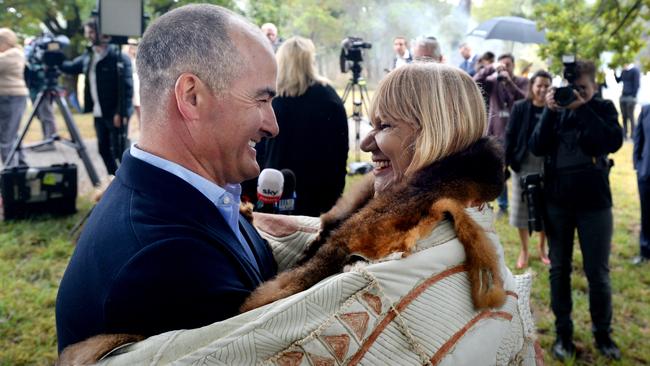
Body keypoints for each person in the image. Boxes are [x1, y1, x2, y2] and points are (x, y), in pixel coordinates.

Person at [72, 62, 539, 366]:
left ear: (434, 132)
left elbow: (253, 346)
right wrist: (276, 225)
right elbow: (350, 244)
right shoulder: (458, 218)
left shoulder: (390, 283)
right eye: (260, 100)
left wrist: (106, 357)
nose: (367, 143)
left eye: (385, 127)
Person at [55, 4, 279, 353]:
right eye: (261, 99)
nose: (272, 125)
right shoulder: (167, 260)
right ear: (191, 97)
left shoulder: (172, 198)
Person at [529, 60, 622, 361]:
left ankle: (603, 335)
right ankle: (562, 335)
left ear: (594, 87)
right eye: (573, 89)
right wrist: (547, 111)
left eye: (584, 88)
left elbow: (609, 141)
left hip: (595, 203)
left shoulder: (603, 108)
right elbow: (537, 147)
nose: (577, 93)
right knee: (559, 270)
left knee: (598, 273)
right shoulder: (555, 113)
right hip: (558, 202)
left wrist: (582, 107)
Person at [260, 36, 348, 216]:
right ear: (310, 61)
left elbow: (259, 146)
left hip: (272, 191)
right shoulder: (328, 97)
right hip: (320, 193)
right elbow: (341, 149)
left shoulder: (270, 100)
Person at [60, 18, 133, 176]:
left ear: (102, 32)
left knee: (120, 151)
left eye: (92, 32)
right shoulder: (89, 57)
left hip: (114, 113)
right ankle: (113, 180)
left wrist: (122, 112)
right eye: (88, 32)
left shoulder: (119, 57)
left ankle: (128, 182)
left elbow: (127, 89)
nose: (89, 36)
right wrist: (54, 57)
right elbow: (71, 67)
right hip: (98, 113)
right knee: (103, 150)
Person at [505, 70, 552, 269]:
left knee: (546, 209)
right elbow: (510, 134)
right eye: (539, 85)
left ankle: (543, 248)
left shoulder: (554, 109)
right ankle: (524, 249)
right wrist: (505, 162)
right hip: (522, 163)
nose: (542, 89)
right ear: (532, 86)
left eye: (546, 86)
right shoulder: (520, 107)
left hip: (547, 165)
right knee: (520, 210)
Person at [474, 53, 529, 216]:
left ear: (513, 66)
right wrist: (491, 68)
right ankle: (502, 206)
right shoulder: (492, 81)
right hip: (496, 134)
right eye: (502, 65)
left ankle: (523, 202)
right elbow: (474, 82)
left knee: (520, 169)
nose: (505, 68)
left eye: (508, 65)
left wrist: (509, 82)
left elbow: (525, 99)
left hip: (518, 135)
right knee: (497, 170)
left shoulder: (522, 81)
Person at [0, 27, 28, 166]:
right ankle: (21, 168)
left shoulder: (13, 53)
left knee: (6, 137)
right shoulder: (12, 53)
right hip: (9, 97)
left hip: (10, 98)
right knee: (12, 134)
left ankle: (10, 174)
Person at [24, 37, 58, 152]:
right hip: (34, 89)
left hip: (43, 88)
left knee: (46, 116)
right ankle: (46, 139)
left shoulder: (42, 55)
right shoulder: (32, 56)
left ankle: (50, 141)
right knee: (41, 116)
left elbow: (42, 70)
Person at [633, 104, 650, 265]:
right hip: (646, 173)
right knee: (646, 214)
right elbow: (638, 139)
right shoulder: (646, 110)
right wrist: (638, 166)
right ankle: (645, 251)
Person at [614, 63, 641, 139]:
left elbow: (637, 84)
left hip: (630, 97)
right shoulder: (624, 71)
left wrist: (633, 95)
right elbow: (618, 80)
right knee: (624, 116)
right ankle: (625, 134)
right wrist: (615, 73)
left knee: (630, 116)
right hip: (623, 96)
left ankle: (633, 135)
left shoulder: (635, 71)